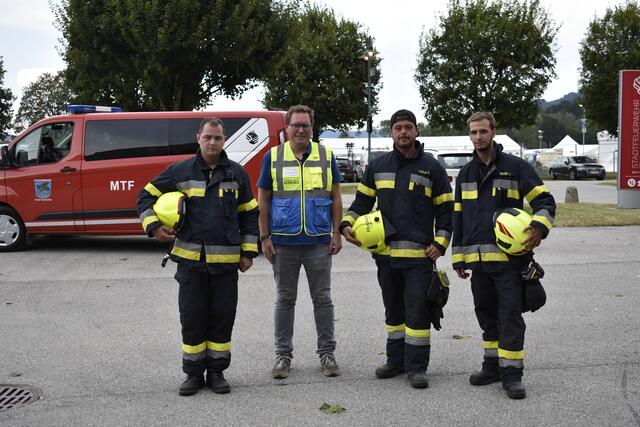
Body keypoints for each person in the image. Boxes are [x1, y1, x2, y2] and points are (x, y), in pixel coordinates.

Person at [137, 117, 259, 396]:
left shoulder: (237, 174)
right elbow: (144, 197)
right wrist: (153, 227)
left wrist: (249, 252)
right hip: (190, 264)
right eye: (208, 137)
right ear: (198, 138)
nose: (213, 142)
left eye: (217, 138)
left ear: (224, 139)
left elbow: (250, 214)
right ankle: (193, 374)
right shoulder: (179, 171)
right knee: (192, 318)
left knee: (221, 318)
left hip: (226, 266)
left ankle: (217, 372)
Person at [340, 109, 453, 389]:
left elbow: (446, 209)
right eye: (398, 128)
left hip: (419, 259)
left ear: (416, 131)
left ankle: (417, 368)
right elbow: (361, 204)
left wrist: (441, 243)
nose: (403, 132)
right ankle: (396, 361)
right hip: (386, 257)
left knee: (417, 313)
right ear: (391, 132)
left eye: (408, 127)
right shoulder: (378, 166)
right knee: (393, 313)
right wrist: (346, 224)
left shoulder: (432, 167)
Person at [451, 112, 556, 400]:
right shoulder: (465, 174)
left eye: (483, 132)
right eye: (473, 133)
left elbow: (544, 201)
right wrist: (458, 257)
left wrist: (538, 227)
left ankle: (512, 375)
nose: (478, 137)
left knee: (509, 317)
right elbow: (458, 217)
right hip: (478, 264)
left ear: (493, 132)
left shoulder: (516, 167)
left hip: (510, 263)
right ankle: (492, 366)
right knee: (486, 316)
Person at [257, 104, 343, 379]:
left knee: (323, 299)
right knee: (285, 299)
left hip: (318, 240)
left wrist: (337, 233)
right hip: (283, 242)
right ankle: (283, 356)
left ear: (312, 127)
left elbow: (336, 197)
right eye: (296, 125)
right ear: (286, 128)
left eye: (306, 125)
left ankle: (327, 354)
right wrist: (264, 238)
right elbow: (264, 201)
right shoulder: (272, 157)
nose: (301, 129)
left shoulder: (326, 156)